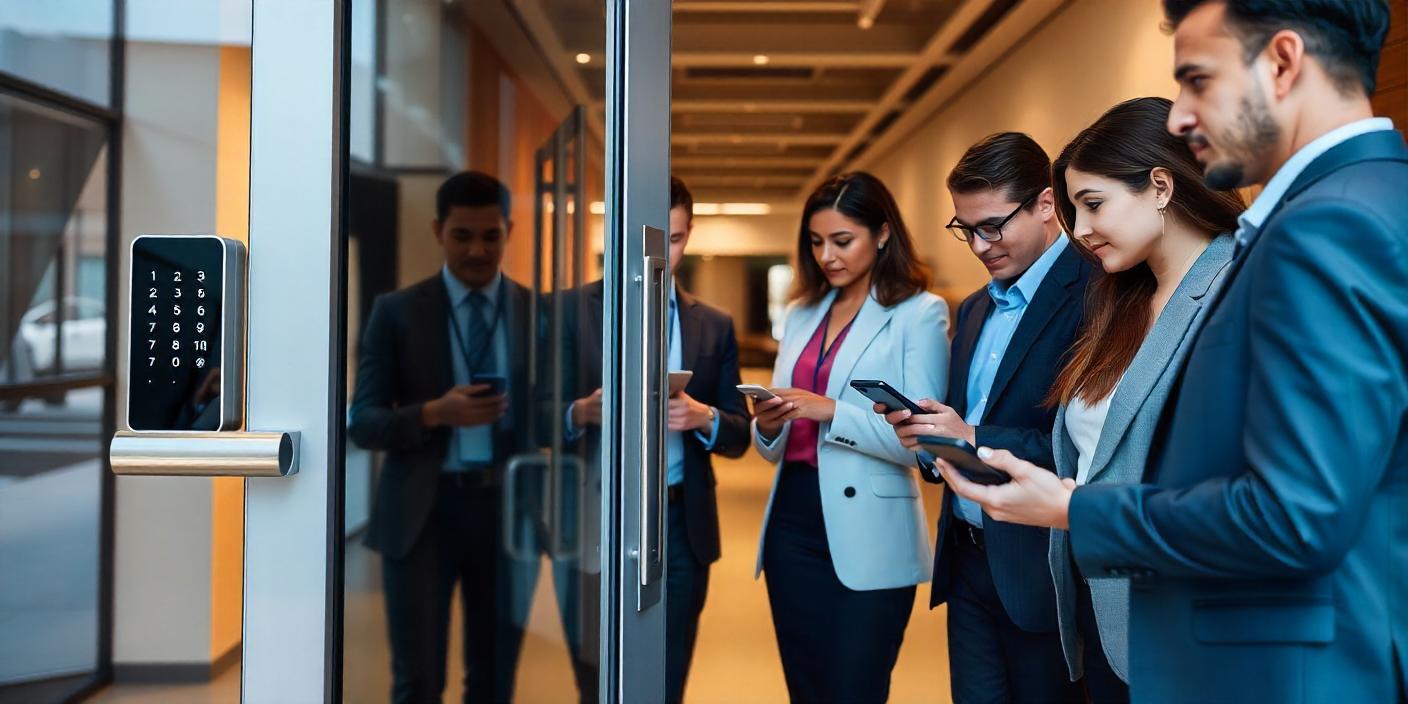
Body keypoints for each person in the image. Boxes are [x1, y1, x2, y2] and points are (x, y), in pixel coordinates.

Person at [931, 2, 1408, 702]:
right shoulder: (1335, 207)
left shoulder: (1327, 223)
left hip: (1280, 663)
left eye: (1197, 80)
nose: (1181, 118)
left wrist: (1075, 509)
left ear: (1282, 61)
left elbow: (1293, 515)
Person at [1042, 96, 1245, 702]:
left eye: (1093, 205)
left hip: (1186, 621)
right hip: (1102, 601)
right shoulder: (1120, 301)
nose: (1079, 231)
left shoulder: (1238, 290)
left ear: (1160, 185)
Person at [879, 133, 1093, 703]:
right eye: (965, 228)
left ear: (1047, 204)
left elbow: (1088, 447)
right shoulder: (975, 308)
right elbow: (962, 422)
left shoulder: (1097, 294)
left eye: (993, 225)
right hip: (969, 557)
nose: (978, 245)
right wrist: (932, 439)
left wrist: (972, 436)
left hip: (1042, 568)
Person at [750, 171, 948, 704]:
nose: (827, 256)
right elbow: (777, 441)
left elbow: (927, 441)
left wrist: (832, 411)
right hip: (792, 519)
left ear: (882, 234)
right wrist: (767, 425)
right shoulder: (799, 313)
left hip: (872, 527)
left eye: (842, 241)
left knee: (855, 688)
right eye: (816, 242)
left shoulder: (918, 314)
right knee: (807, 687)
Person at [564, 177, 752, 704]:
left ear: (688, 236)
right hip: (594, 517)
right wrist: (579, 411)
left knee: (667, 680)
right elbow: (528, 417)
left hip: (678, 525)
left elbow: (740, 434)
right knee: (593, 681)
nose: (660, 254)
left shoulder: (713, 325)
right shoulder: (571, 310)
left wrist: (704, 417)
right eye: (648, 238)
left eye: (673, 239)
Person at [348, 171, 533, 703]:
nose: (477, 250)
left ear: (508, 230)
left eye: (490, 235)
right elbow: (362, 421)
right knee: (418, 681)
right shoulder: (397, 313)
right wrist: (433, 413)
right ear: (437, 230)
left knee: (495, 678)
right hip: (420, 517)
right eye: (462, 235)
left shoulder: (534, 310)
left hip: (506, 513)